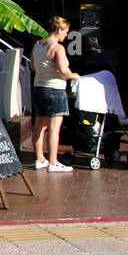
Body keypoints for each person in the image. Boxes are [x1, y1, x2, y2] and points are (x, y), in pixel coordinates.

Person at [31, 15, 81, 172]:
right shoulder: (58, 48)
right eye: (66, 31)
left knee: (39, 126)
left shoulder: (37, 45)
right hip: (55, 90)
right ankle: (53, 162)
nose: (66, 35)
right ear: (59, 30)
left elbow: (33, 66)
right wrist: (75, 76)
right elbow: (63, 70)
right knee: (54, 128)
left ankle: (39, 159)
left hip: (39, 88)